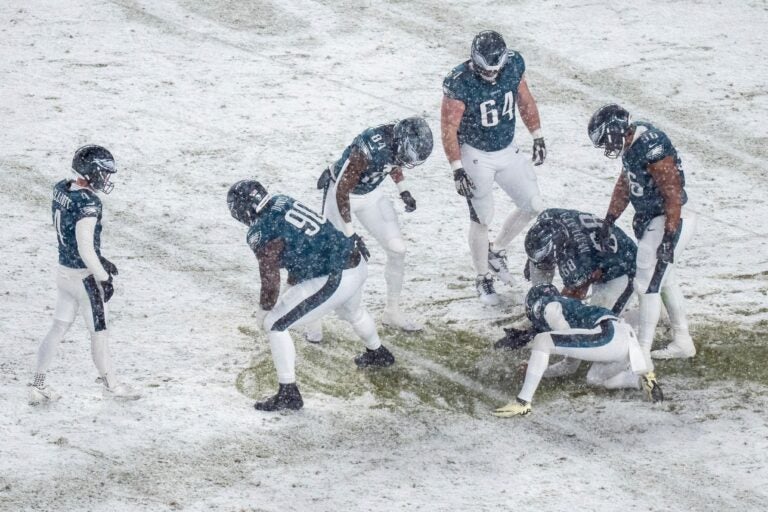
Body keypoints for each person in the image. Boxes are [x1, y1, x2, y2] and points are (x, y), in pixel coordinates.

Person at [227, 179, 395, 412]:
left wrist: (265, 309)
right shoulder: (280, 201)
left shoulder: (260, 230)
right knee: (352, 312)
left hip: (335, 274)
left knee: (275, 324)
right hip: (354, 260)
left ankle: (288, 393)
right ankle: (378, 352)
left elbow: (270, 276)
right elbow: (302, 245)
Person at [441, 30, 546, 305]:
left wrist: (537, 134)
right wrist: (456, 167)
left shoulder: (512, 65)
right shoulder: (460, 82)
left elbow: (524, 100)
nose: (491, 75)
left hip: (506, 147)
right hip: (475, 153)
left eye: (495, 69)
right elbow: (449, 127)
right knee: (482, 217)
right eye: (486, 70)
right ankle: (482, 277)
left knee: (533, 204)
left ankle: (496, 251)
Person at [588, 104, 697, 369]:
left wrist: (669, 237)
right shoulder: (632, 144)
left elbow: (672, 192)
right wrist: (610, 219)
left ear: (615, 131)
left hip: (670, 218)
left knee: (646, 284)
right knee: (665, 280)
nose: (606, 146)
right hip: (656, 219)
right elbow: (626, 183)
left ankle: (643, 354)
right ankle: (682, 340)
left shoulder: (651, 145)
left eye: (605, 139)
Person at [29, 145, 140, 405]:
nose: (106, 178)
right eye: (103, 172)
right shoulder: (88, 203)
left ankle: (38, 384)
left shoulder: (61, 188)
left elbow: (72, 237)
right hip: (83, 278)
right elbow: (85, 248)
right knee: (99, 333)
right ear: (91, 171)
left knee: (57, 328)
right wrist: (103, 277)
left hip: (64, 271)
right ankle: (112, 385)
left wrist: (100, 259)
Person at [311, 117, 433, 337]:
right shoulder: (367, 149)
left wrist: (403, 189)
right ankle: (312, 317)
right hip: (340, 192)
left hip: (369, 194)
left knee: (398, 250)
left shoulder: (398, 141)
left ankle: (392, 311)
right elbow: (342, 190)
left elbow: (393, 164)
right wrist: (351, 234)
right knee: (328, 256)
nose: (407, 161)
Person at [492, 284, 657, 418]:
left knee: (542, 341)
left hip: (608, 333)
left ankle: (523, 402)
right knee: (595, 379)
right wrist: (539, 371)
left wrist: (537, 352)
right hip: (623, 338)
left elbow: (559, 332)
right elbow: (570, 366)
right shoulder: (569, 307)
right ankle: (639, 379)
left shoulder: (543, 303)